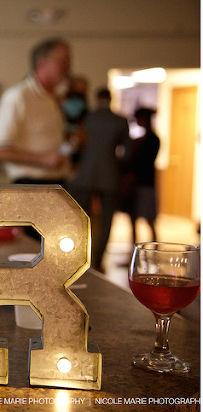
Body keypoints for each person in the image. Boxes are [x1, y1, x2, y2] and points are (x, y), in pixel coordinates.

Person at [0, 38, 73, 186]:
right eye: (63, 61)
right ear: (42, 63)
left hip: (57, 183)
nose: (69, 67)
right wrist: (44, 160)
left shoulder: (53, 98)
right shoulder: (18, 96)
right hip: (30, 186)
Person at [68, 88, 132, 273]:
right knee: (106, 221)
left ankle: (79, 259)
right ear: (111, 99)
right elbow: (127, 153)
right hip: (109, 174)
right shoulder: (120, 120)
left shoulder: (86, 117)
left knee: (81, 220)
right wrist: (113, 162)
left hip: (84, 174)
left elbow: (75, 145)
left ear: (96, 98)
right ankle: (98, 261)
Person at [124, 107, 160, 244]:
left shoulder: (152, 140)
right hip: (137, 183)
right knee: (133, 218)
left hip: (145, 183)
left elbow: (144, 162)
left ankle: (155, 248)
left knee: (149, 219)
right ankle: (134, 249)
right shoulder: (140, 140)